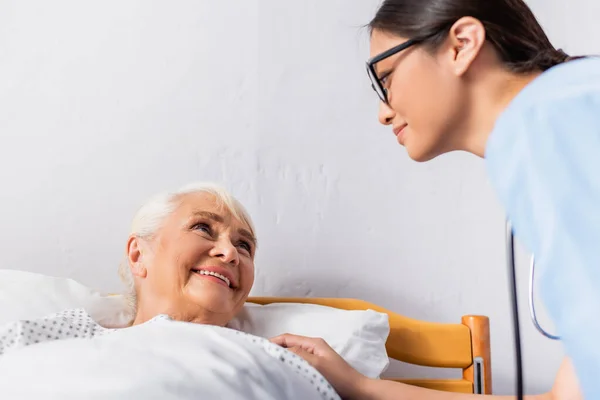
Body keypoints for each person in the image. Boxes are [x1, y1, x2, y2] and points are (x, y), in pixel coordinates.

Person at [271, 0, 600, 399]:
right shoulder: (564, 110)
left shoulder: (547, 121)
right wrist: (360, 387)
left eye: (386, 78)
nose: (383, 112)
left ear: (461, 45)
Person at [0, 182, 259, 351]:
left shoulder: (272, 360)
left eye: (244, 246)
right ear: (138, 256)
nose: (230, 253)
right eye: (202, 227)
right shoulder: (68, 336)